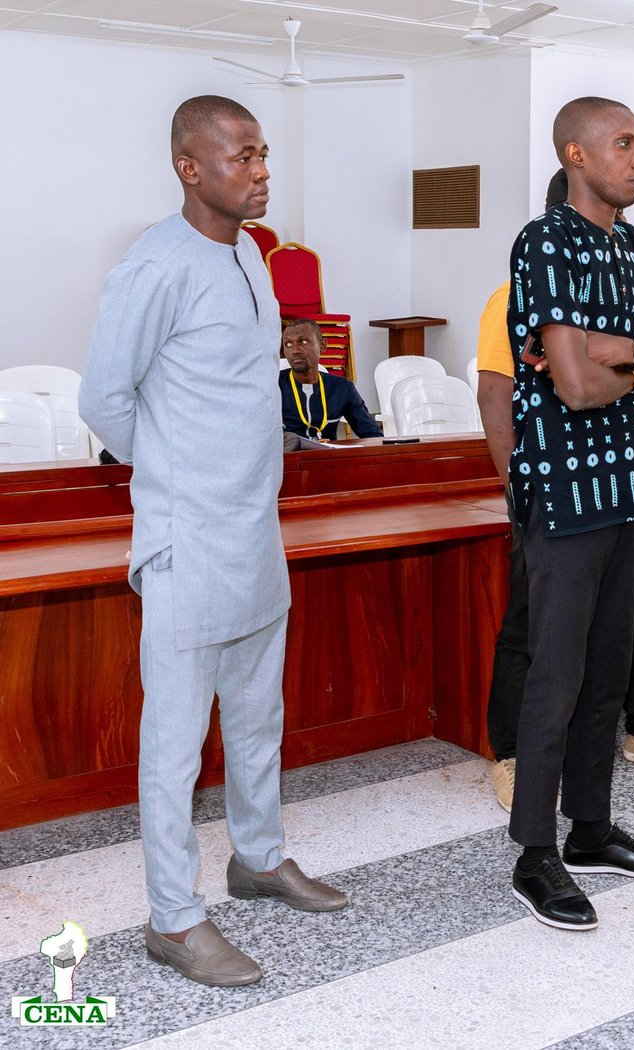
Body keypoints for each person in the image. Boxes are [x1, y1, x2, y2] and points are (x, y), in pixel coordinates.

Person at [79, 95, 346, 989]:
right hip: (190, 540)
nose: (262, 170)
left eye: (264, 154)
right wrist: (175, 478)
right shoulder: (155, 264)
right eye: (242, 157)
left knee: (259, 718)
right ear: (190, 168)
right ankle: (174, 918)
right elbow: (105, 400)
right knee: (175, 744)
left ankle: (258, 859)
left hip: (254, 532)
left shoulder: (255, 259)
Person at [505, 96, 634, 932]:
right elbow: (574, 389)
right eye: (625, 144)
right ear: (576, 154)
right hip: (570, 491)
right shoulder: (546, 240)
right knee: (557, 675)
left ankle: (589, 829)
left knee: (610, 671)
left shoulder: (629, 244)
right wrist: (628, 356)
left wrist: (618, 349)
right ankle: (535, 853)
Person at [477, 172, 634, 815]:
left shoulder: (630, 264)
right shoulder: (522, 288)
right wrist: (517, 491)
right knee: (539, 640)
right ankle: (515, 763)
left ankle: (629, 755)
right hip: (556, 490)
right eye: (625, 146)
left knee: (630, 628)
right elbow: (517, 394)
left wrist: (619, 355)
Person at [279, 318, 381, 440]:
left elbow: (372, 435)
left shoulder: (342, 388)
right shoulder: (274, 386)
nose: (295, 350)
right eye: (288, 344)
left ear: (322, 345)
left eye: (303, 342)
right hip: (288, 457)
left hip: (329, 456)